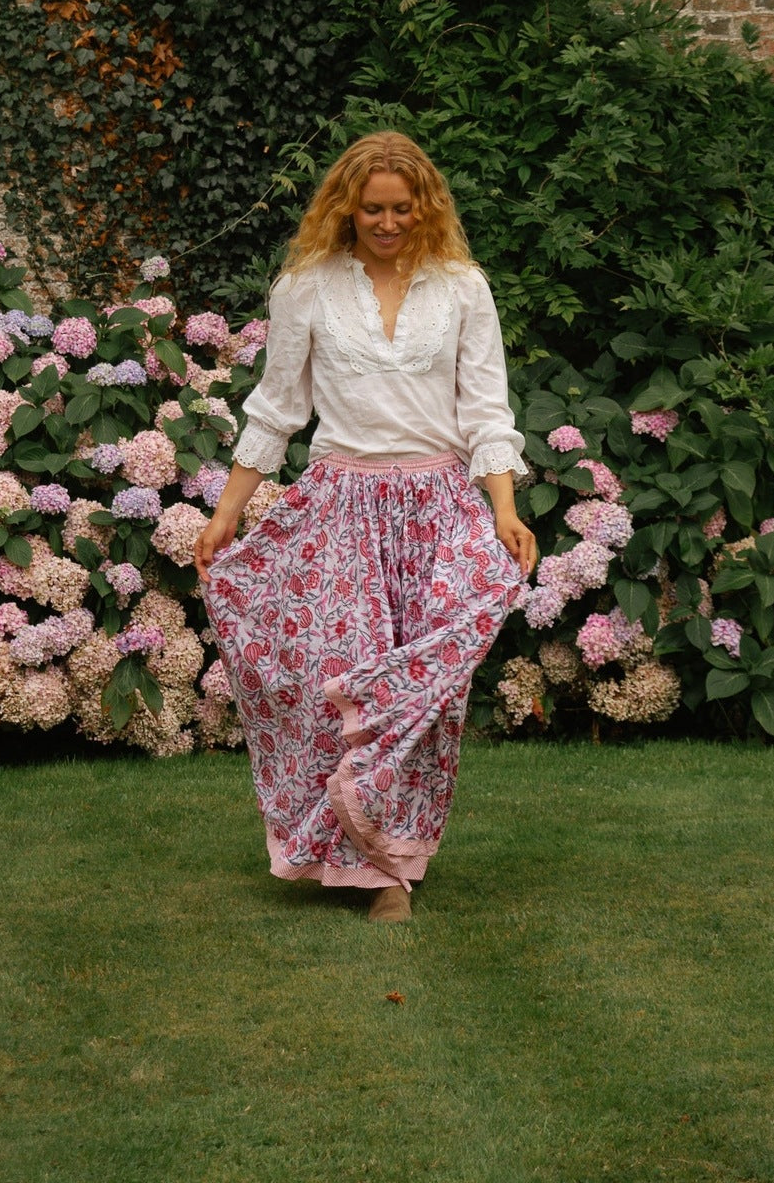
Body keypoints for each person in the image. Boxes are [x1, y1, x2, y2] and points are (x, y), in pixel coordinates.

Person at [196, 131, 536, 923]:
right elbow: (276, 410)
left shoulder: (462, 288)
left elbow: (486, 410)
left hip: (440, 505)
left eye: (401, 208)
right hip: (340, 507)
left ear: (425, 207)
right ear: (347, 209)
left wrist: (505, 510)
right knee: (339, 674)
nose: (387, 222)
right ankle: (372, 870)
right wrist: (225, 516)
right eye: (372, 208)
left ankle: (397, 852)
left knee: (429, 691)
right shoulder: (305, 288)